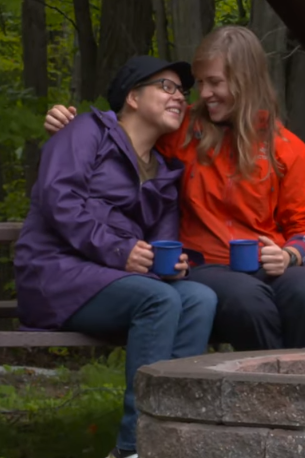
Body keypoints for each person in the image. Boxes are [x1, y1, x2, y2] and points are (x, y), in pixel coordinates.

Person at [43, 25, 305, 353]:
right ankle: (267, 396)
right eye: (200, 83)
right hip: (204, 267)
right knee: (249, 301)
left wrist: (290, 254)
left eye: (214, 82)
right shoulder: (182, 129)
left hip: (267, 265)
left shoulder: (288, 149)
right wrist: (70, 125)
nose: (203, 93)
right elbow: (126, 127)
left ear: (246, 80)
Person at [15, 55, 218, 458]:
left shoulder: (163, 171)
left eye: (182, 90)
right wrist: (120, 251)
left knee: (199, 298)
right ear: (132, 97)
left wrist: (172, 264)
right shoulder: (87, 132)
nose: (179, 97)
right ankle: (133, 446)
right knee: (157, 300)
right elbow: (59, 200)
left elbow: (162, 240)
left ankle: (174, 435)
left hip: (113, 279)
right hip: (55, 272)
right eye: (166, 87)